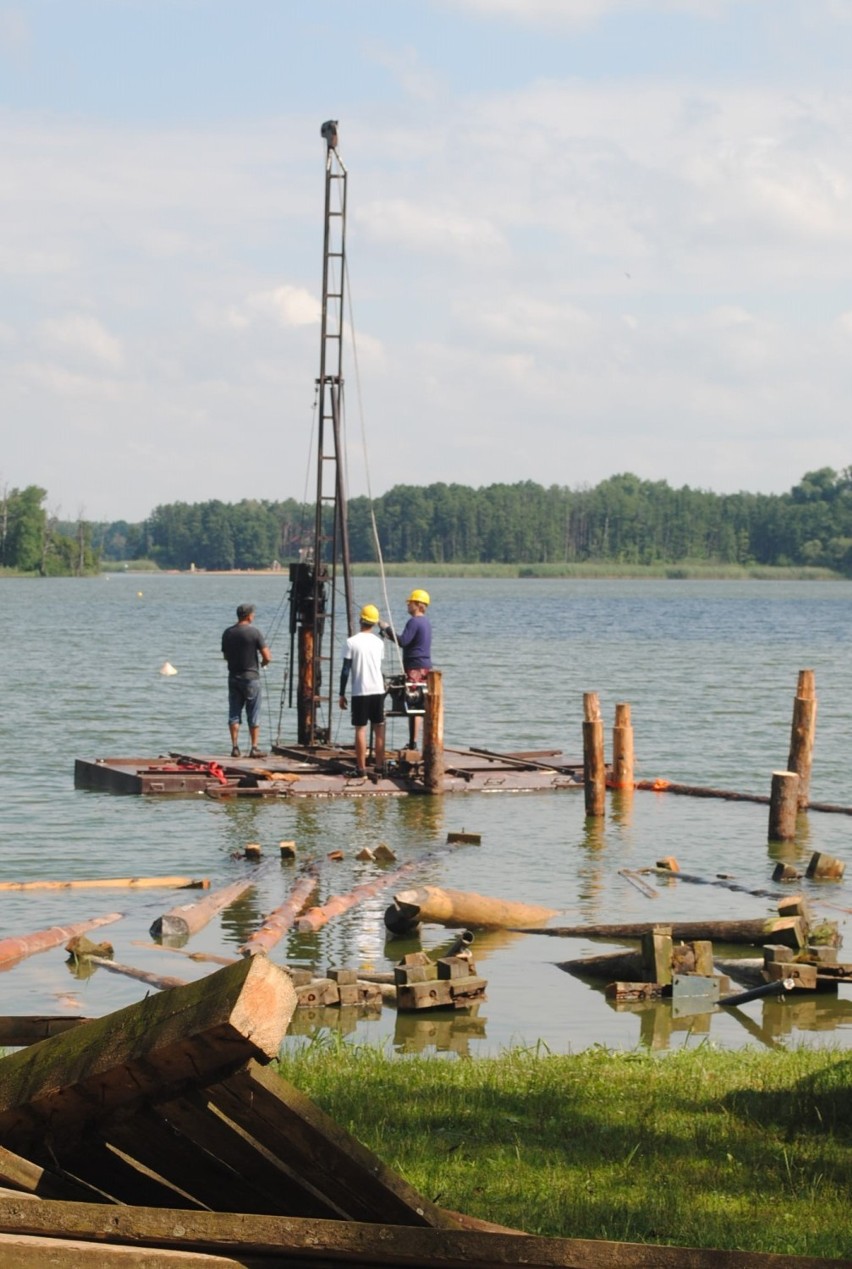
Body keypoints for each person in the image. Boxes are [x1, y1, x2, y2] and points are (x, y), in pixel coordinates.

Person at [379, 588, 432, 747]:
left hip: (415, 667)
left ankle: (413, 742)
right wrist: (389, 636)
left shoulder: (414, 622)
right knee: (418, 705)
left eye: (411, 603)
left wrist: (387, 628)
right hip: (425, 666)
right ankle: (414, 742)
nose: (408, 605)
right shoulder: (426, 622)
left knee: (414, 705)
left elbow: (403, 641)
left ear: (418, 604)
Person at [339, 604, 386, 777]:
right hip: (378, 689)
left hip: (360, 691)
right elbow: (378, 665)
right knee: (379, 727)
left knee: (360, 729)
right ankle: (380, 766)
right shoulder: (379, 642)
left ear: (360, 619)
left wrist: (341, 693)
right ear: (374, 623)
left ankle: (361, 768)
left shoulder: (351, 642)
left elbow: (345, 670)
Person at [221, 603, 271, 759]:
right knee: (253, 713)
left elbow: (226, 656)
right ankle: (254, 747)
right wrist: (262, 664)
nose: (254, 616)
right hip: (251, 678)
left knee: (234, 713)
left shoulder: (228, 633)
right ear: (248, 616)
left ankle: (235, 747)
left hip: (233, 677)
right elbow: (267, 656)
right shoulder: (254, 632)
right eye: (253, 614)